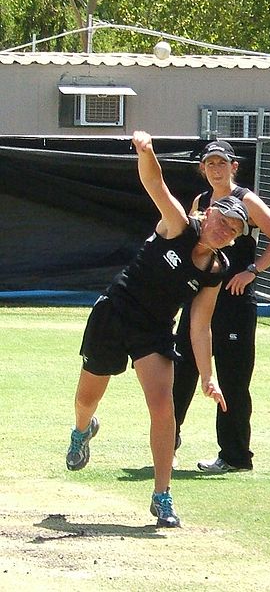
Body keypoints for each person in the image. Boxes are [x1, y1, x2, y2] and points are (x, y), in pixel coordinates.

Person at [65, 131, 250, 528]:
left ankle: (162, 496)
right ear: (210, 213)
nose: (224, 230)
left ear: (234, 239)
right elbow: (155, 183)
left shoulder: (215, 270)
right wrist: (146, 150)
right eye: (223, 220)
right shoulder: (178, 226)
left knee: (163, 409)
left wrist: (207, 376)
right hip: (115, 312)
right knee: (87, 397)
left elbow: (200, 326)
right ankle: (82, 430)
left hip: (153, 332)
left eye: (233, 230)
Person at [173, 140, 270, 473]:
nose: (215, 169)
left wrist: (251, 271)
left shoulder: (246, 200)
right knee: (181, 368)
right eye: (209, 164)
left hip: (236, 303)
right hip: (199, 299)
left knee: (233, 379)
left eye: (221, 163)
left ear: (233, 167)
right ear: (203, 168)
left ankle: (235, 456)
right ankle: (168, 440)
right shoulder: (200, 202)